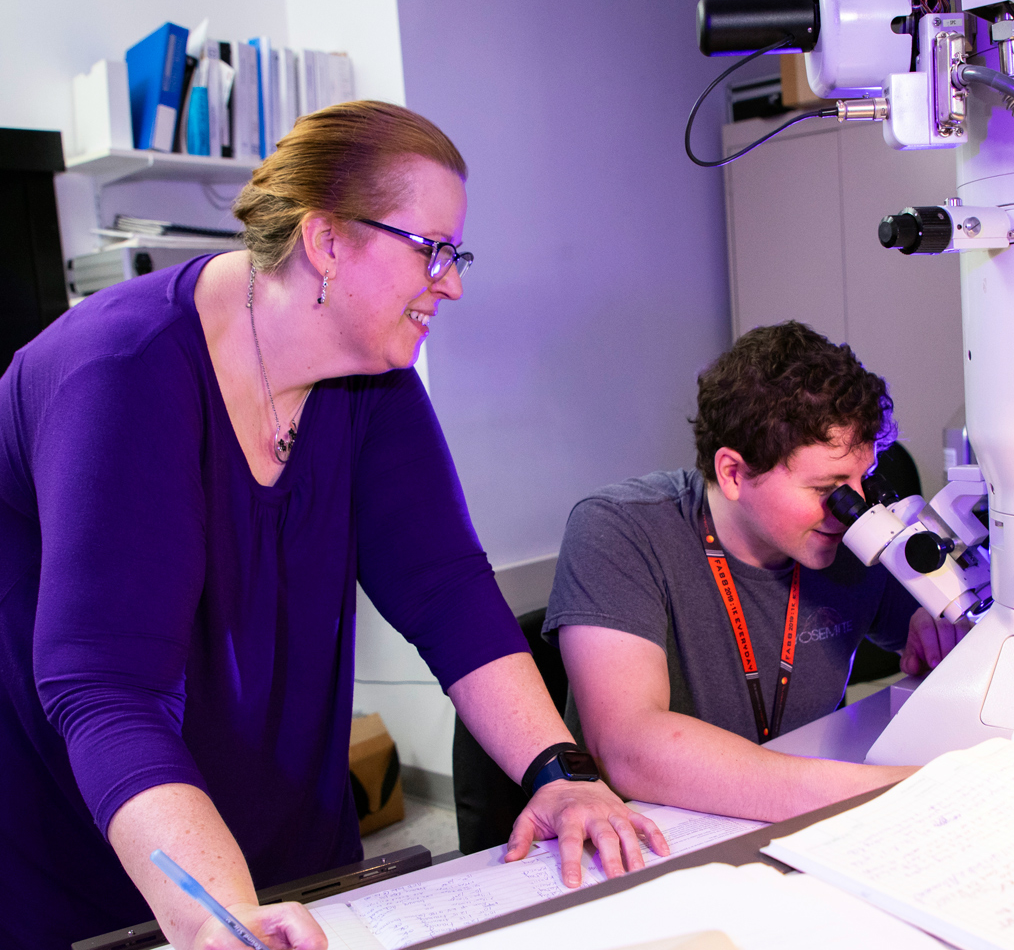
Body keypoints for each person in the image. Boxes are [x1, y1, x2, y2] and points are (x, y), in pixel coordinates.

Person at [0, 101, 664, 950]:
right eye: (433, 252)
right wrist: (215, 914)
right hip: (114, 864)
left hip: (287, 846)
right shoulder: (122, 375)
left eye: (456, 255)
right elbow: (107, 690)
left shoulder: (371, 382)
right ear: (326, 241)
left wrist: (560, 772)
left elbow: (445, 590)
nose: (452, 282)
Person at [543, 322, 968, 822]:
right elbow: (628, 746)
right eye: (826, 488)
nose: (854, 509)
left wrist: (931, 624)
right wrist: (882, 790)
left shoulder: (854, 539)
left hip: (799, 817)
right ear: (733, 473)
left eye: (864, 480)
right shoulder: (619, 530)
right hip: (658, 834)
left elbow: (937, 634)